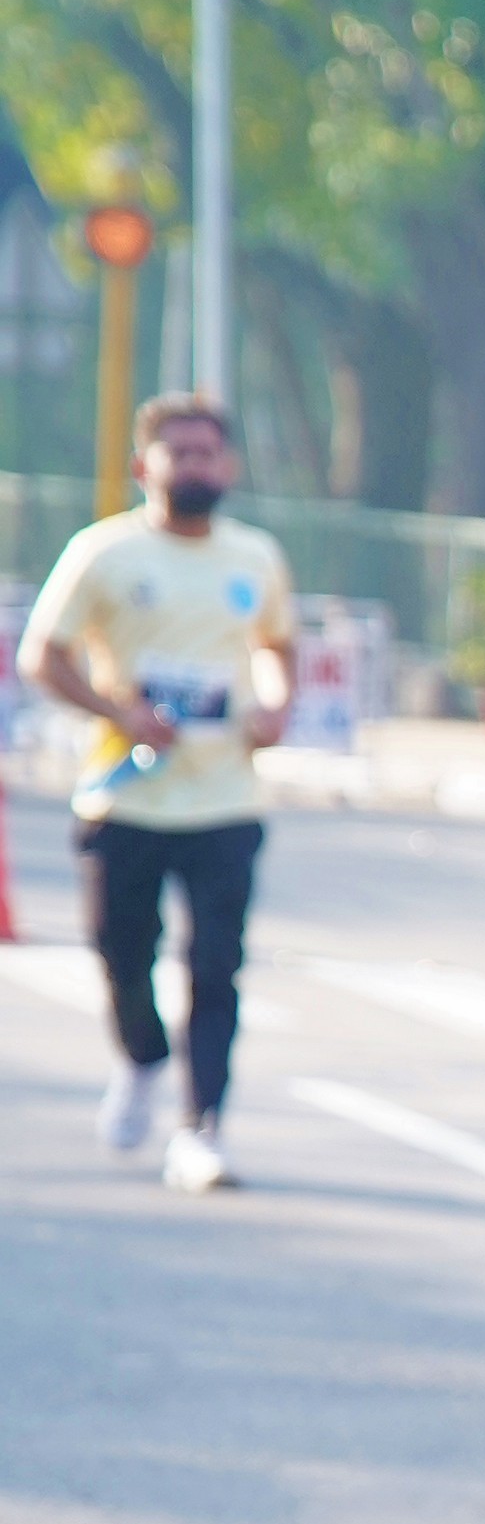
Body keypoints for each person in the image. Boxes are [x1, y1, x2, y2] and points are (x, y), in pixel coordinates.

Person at [17, 392, 293, 1194]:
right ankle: (141, 1058)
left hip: (225, 800)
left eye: (209, 452)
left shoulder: (255, 557)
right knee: (123, 954)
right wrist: (119, 712)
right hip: (127, 795)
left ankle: (202, 1127)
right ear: (146, 465)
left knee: (215, 966)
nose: (197, 466)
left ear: (229, 466)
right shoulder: (105, 554)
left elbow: (278, 647)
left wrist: (276, 707)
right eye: (181, 453)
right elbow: (43, 656)